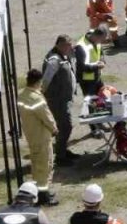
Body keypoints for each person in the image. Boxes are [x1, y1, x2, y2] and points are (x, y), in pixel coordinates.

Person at [18, 69, 58, 199]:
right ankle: (43, 195)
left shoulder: (22, 95)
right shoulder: (36, 98)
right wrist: (54, 129)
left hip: (31, 134)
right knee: (45, 165)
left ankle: (39, 190)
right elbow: (46, 117)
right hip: (41, 136)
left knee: (36, 164)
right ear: (38, 82)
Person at [42, 34, 80, 166]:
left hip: (63, 98)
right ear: (60, 45)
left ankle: (62, 150)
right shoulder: (54, 60)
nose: (70, 48)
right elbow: (45, 80)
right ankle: (61, 157)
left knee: (63, 126)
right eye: (68, 46)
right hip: (57, 100)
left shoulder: (63, 55)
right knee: (65, 126)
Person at [75, 28, 107, 135]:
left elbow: (100, 52)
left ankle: (100, 123)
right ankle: (94, 129)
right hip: (87, 80)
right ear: (96, 36)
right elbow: (81, 67)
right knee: (90, 104)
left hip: (97, 77)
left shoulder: (96, 41)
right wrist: (97, 66)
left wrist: (102, 61)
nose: (101, 43)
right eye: (101, 40)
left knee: (101, 100)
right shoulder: (81, 47)